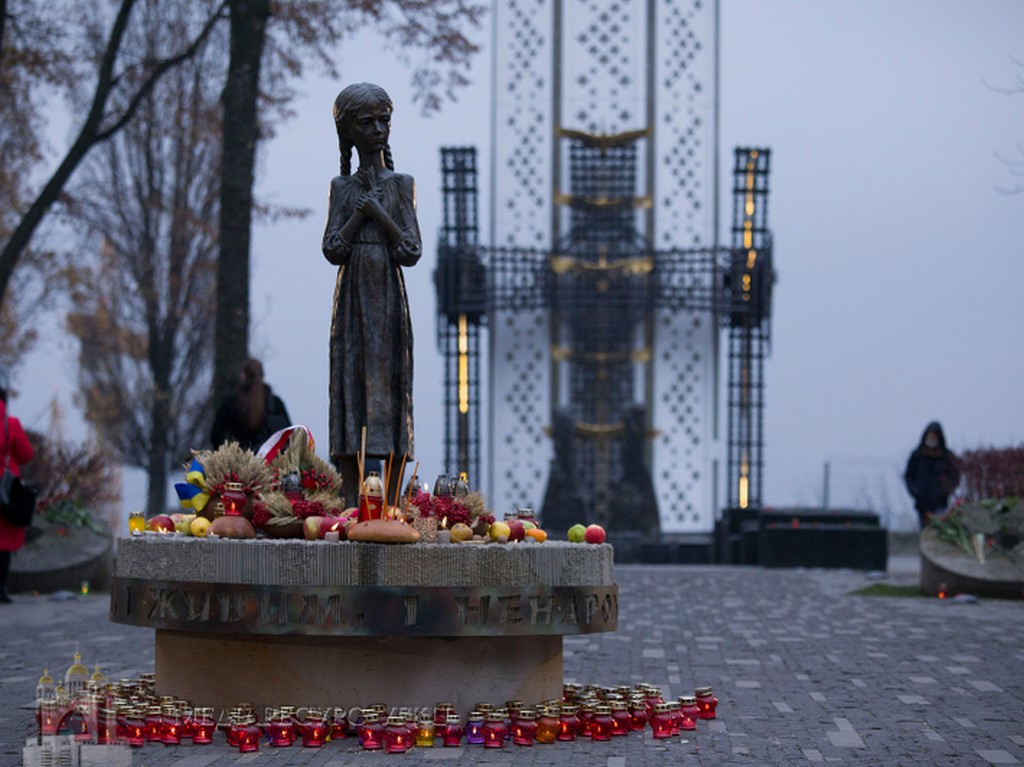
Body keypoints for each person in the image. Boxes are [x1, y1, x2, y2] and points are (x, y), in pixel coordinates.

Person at [321, 83, 421, 505]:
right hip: (353, 303)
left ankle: (393, 502)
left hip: (389, 301)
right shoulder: (342, 188)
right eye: (368, 122)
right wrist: (359, 212)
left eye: (384, 121)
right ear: (350, 131)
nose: (379, 129)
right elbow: (332, 248)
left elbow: (410, 249)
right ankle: (350, 497)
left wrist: (380, 213)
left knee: (390, 382)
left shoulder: (401, 184)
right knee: (352, 379)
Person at [0, 369, 34, 603]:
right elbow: (25, 454)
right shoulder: (10, 424)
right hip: (5, 489)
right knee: (3, 544)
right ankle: (1, 589)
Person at [210, 359, 291, 451]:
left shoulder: (231, 404)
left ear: (243, 376)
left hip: (239, 461)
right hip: (270, 460)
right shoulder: (275, 403)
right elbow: (289, 434)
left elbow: (216, 436)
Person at [904, 421, 960, 528]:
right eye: (930, 435)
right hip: (922, 504)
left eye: (935, 436)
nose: (932, 438)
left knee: (938, 531)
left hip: (940, 503)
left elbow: (955, 476)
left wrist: (945, 491)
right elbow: (909, 476)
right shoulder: (917, 456)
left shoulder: (947, 457)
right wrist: (915, 491)